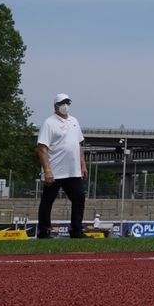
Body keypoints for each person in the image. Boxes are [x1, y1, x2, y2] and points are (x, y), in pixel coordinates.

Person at [35, 92, 87, 240]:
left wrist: (83, 165)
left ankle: (76, 230)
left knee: (79, 198)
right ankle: (44, 231)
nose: (65, 106)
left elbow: (79, 144)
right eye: (62, 103)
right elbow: (42, 147)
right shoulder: (49, 123)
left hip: (73, 171)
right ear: (55, 106)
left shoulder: (74, 121)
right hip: (56, 171)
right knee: (47, 201)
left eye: (67, 103)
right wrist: (47, 170)